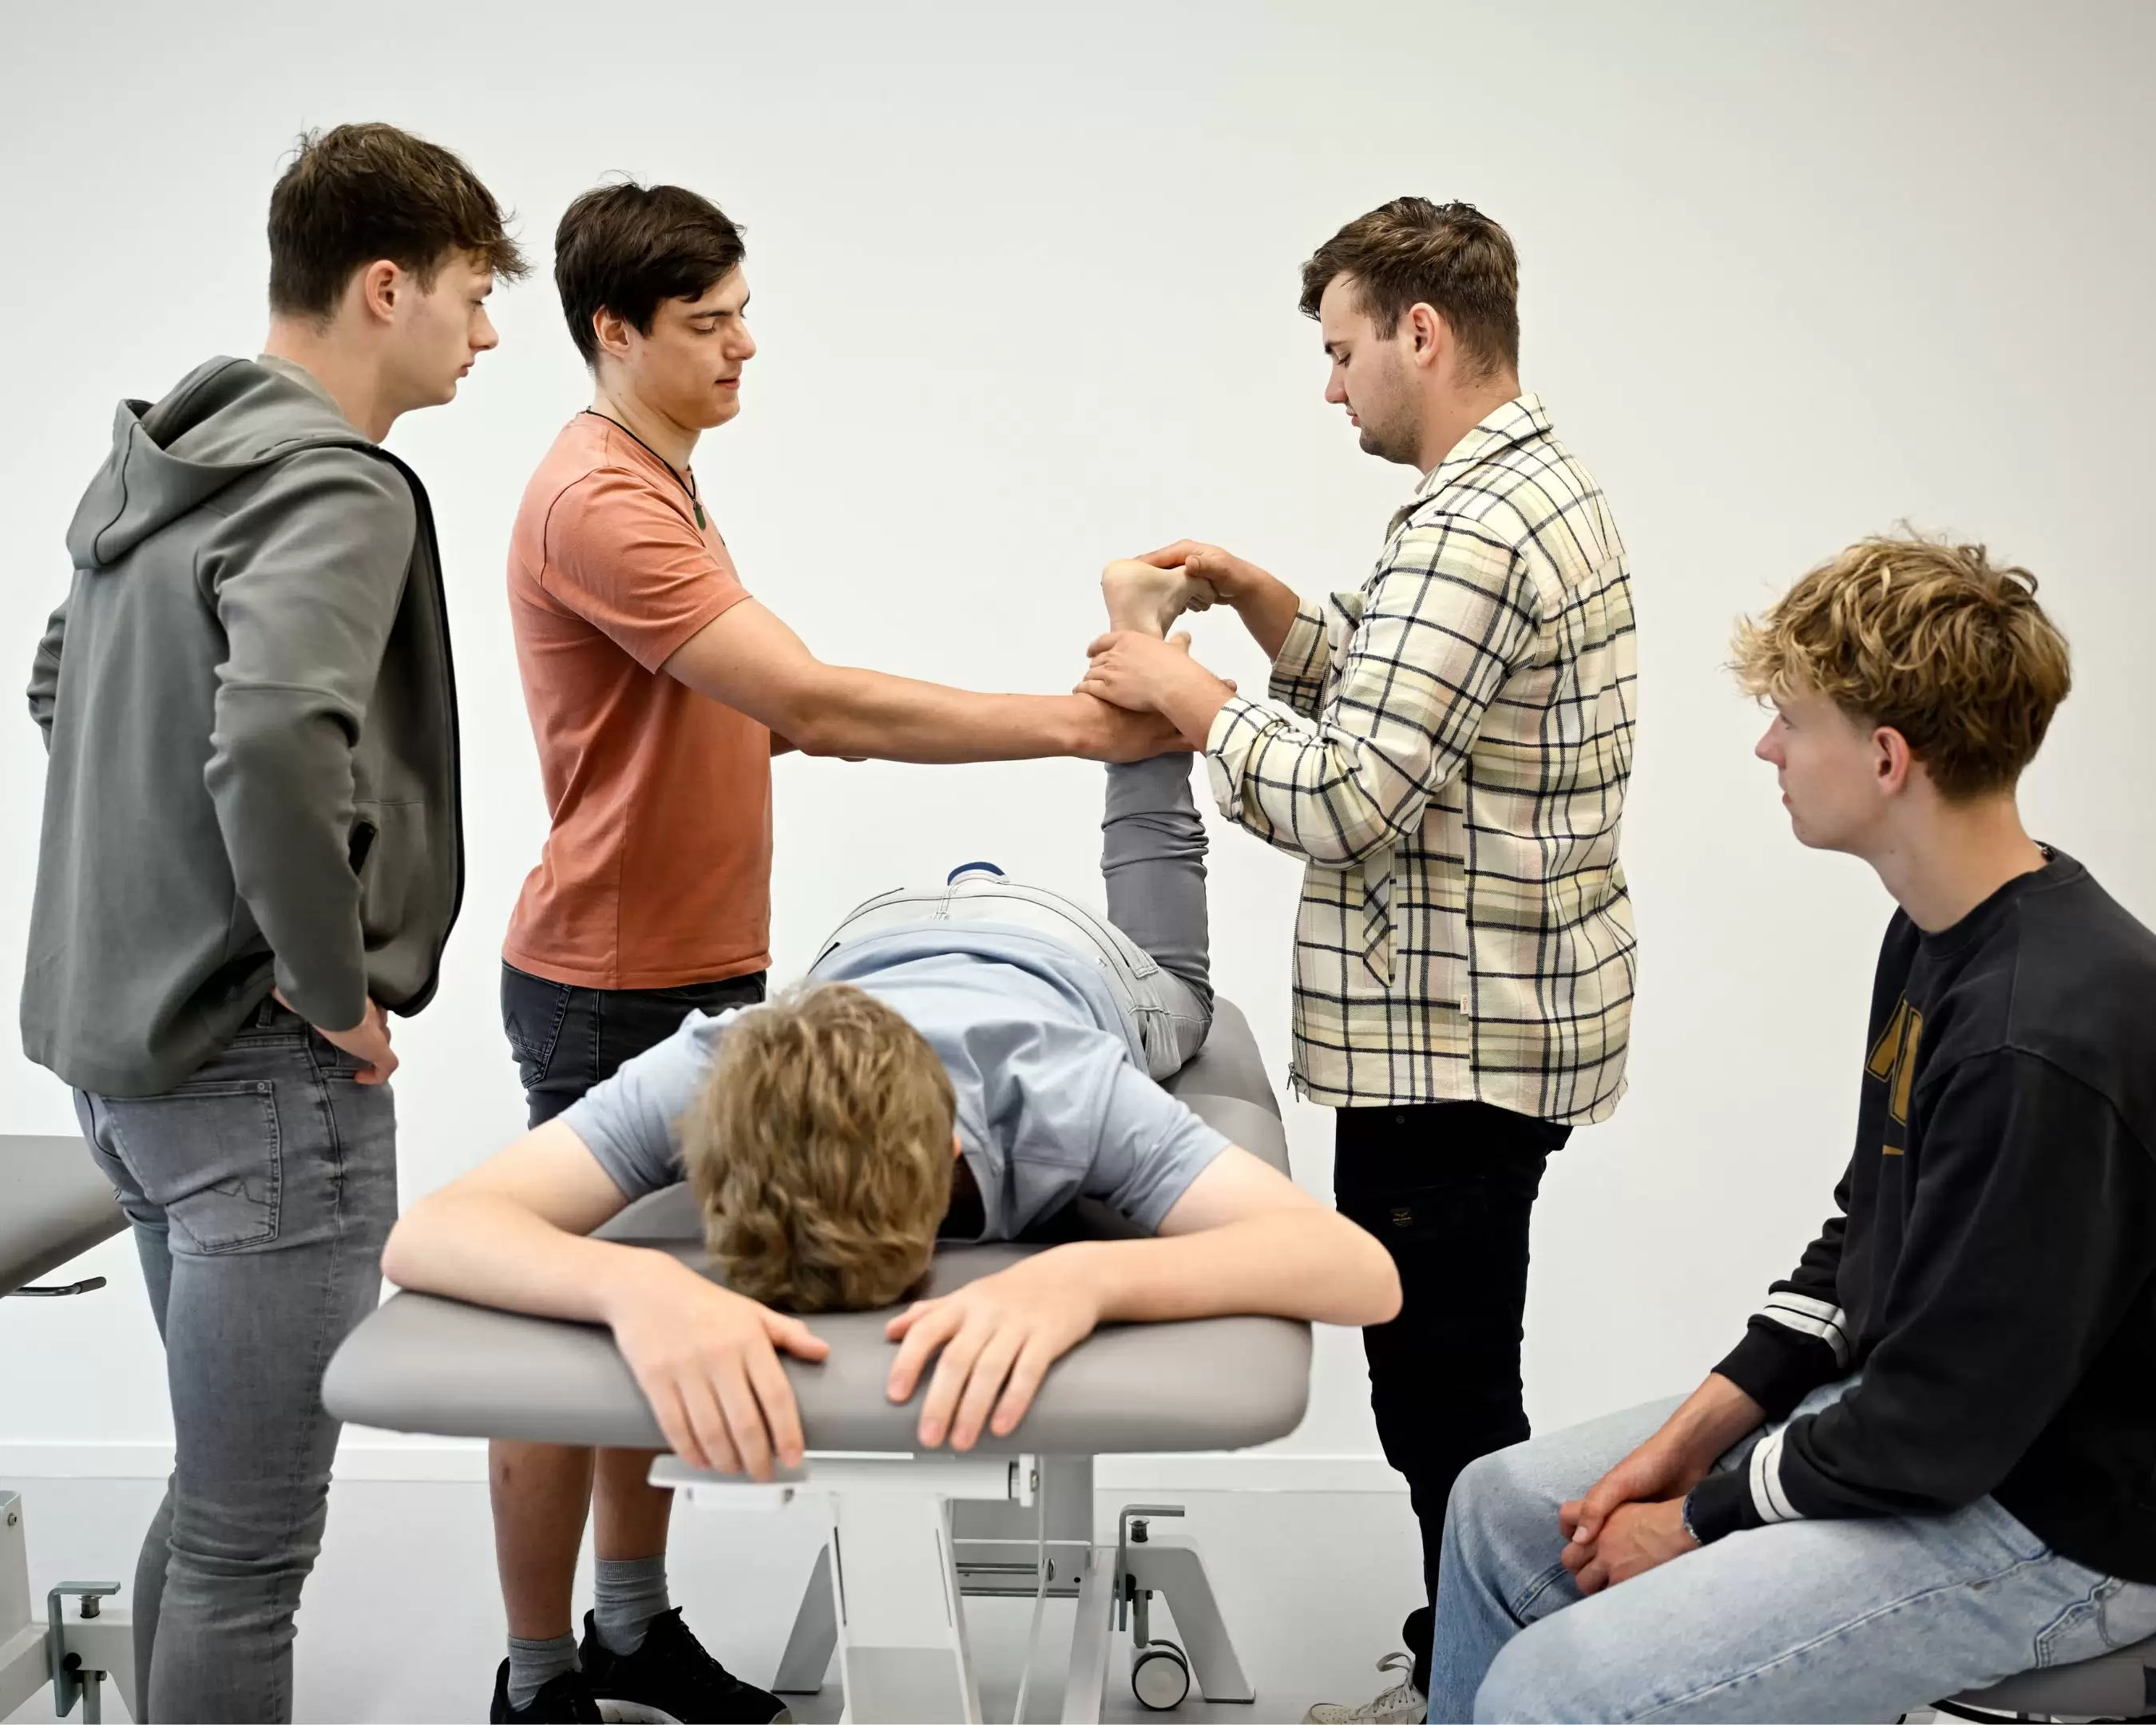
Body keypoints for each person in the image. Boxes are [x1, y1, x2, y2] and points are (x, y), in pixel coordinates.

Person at [486, 180, 1191, 1723]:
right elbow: (814, 708)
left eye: (747, 311)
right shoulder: (601, 499)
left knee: (654, 1313)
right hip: (611, 979)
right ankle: (537, 1682)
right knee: (563, 1338)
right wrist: (1079, 727)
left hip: (693, 961)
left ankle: (627, 1630)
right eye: (709, 322)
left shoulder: (658, 474)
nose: (747, 346)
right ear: (614, 333)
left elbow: (746, 717)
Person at [383, 749, 1405, 1715]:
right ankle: (571, 1660)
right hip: (866, 942)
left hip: (1066, 949)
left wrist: (1087, 1280)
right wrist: (630, 1287)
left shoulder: (1056, 1089)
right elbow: (431, 1234)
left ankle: (1143, 729)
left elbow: (1360, 1273)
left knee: (1183, 996)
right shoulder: (715, 1065)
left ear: (958, 1147)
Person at [1426, 536, 2156, 1722]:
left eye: (1791, 718)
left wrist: (1702, 1515)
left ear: (1884, 757)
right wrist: (1695, 1431)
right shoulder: (1938, 929)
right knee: (1502, 1513)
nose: (1767, 747)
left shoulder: (2043, 1034)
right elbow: (1869, 1229)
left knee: (1558, 1688)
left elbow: (1945, 1424)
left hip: (2056, 1511)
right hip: (1934, 1426)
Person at [1078, 197, 1636, 1723]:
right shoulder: (1530, 490)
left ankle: (1480, 1688)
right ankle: (1471, 1659)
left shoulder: (1472, 524)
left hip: (1452, 1042)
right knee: (1454, 1373)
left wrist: (1186, 696)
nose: (1332, 390)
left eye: (1340, 354)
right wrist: (1274, 620)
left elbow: (1347, 795)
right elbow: (1423, 705)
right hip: (1501, 1021)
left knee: (1443, 1392)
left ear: (1422, 334)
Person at [21, 124, 523, 1722]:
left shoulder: (159, 467)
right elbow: (267, 734)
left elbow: (59, 679)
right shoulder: (338, 484)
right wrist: (329, 984)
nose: (490, 332)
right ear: (388, 287)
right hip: (258, 1080)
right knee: (253, 1551)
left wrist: (164, 857)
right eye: (469, 293)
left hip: (131, 1072)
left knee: (214, 1513)